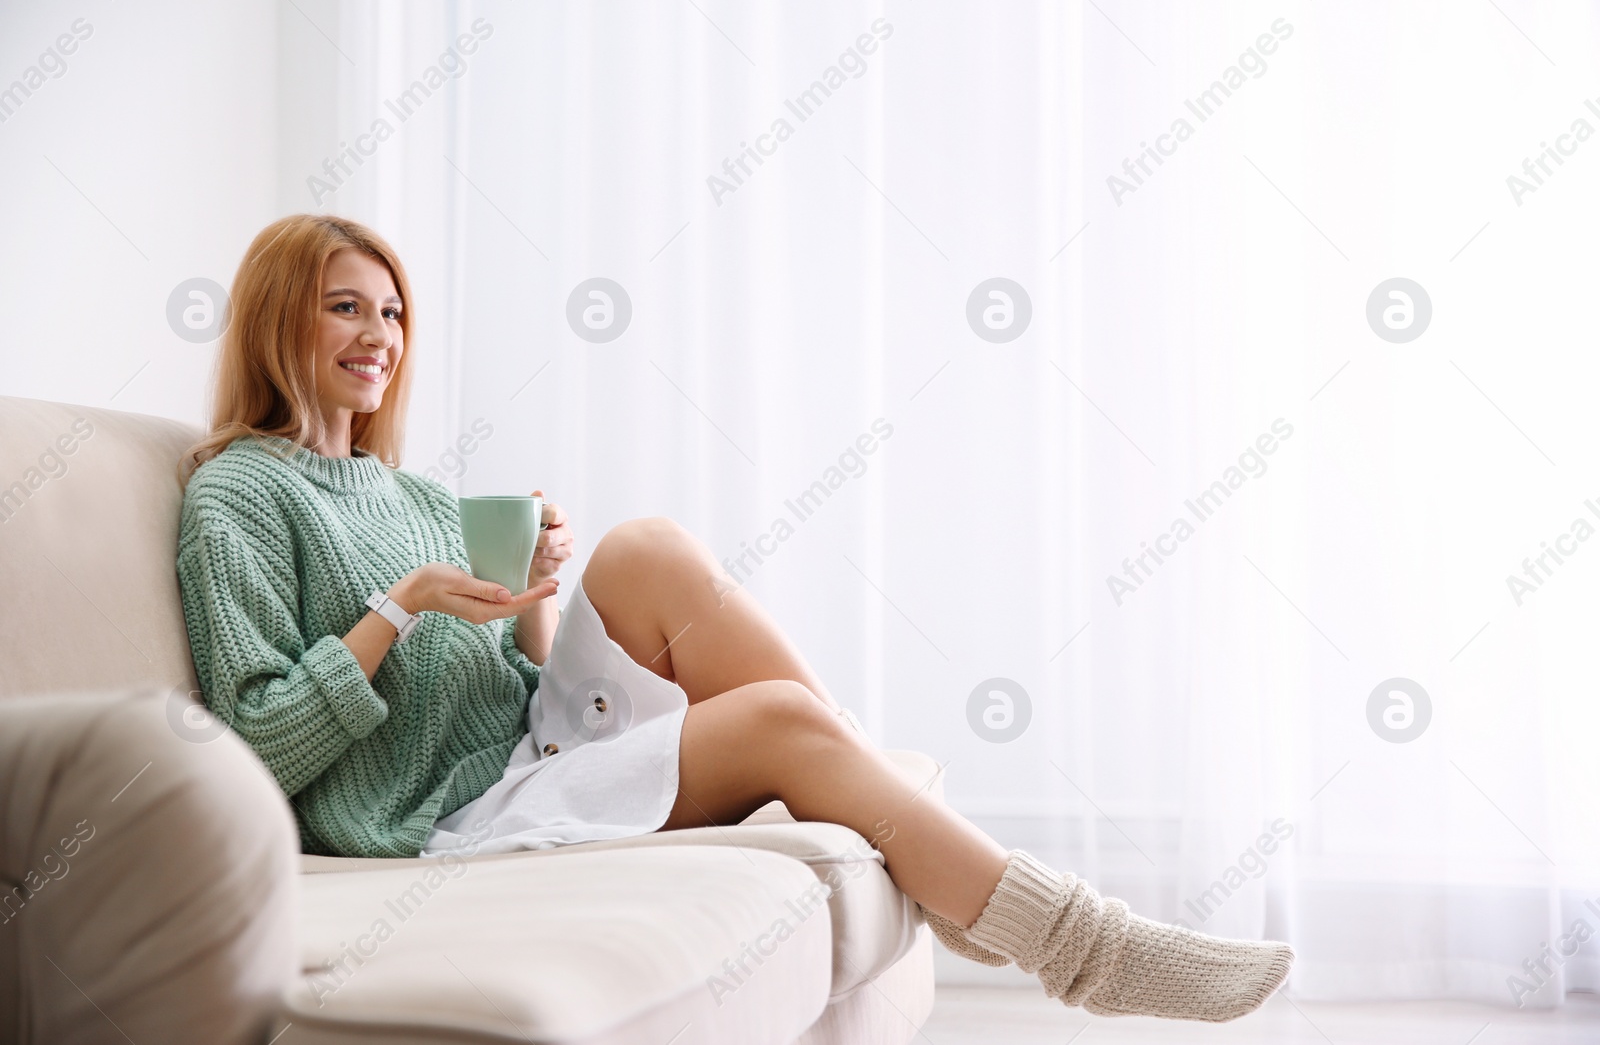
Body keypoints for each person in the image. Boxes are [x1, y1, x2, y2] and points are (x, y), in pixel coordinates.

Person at [175, 213, 1293, 1023]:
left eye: (393, 310)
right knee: (773, 723)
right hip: (436, 817)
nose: (379, 333)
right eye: (344, 307)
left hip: (518, 750)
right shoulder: (235, 492)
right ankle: (1081, 945)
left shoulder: (413, 492)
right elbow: (259, 739)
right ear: (282, 317)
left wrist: (534, 596)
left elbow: (502, 689)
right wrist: (401, 603)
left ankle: (919, 847)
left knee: (645, 546)